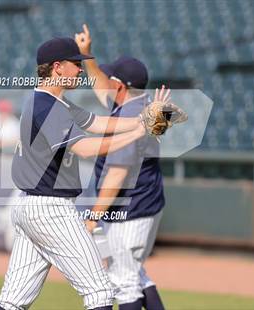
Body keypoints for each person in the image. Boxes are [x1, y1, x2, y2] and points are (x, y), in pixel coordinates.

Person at [0, 37, 166, 310]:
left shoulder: (49, 101)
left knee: (13, 299)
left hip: (30, 207)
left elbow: (98, 123)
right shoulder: (47, 107)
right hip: (50, 210)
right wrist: (140, 132)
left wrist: (142, 121)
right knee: (99, 292)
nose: (80, 70)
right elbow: (86, 148)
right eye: (75, 64)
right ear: (57, 67)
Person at [75, 25, 166, 310]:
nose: (106, 80)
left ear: (121, 86)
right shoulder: (137, 103)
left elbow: (117, 174)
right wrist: (86, 55)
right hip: (145, 205)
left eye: (112, 77)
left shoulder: (129, 112)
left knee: (123, 281)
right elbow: (102, 85)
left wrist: (92, 218)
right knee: (136, 274)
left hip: (131, 211)